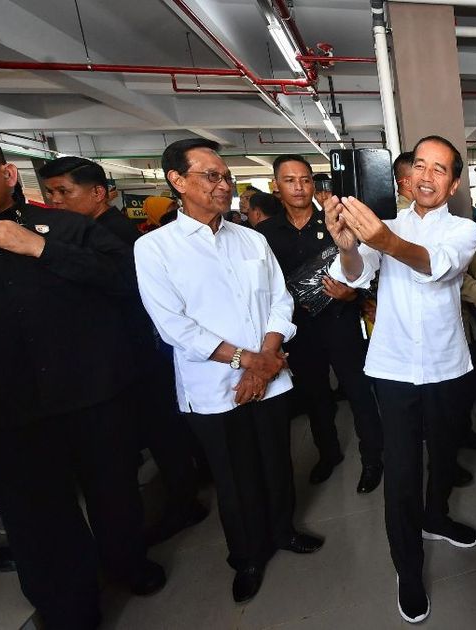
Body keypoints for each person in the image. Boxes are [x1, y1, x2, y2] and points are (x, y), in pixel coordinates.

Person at [0, 125, 165, 628]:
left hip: (93, 398)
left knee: (115, 496)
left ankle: (128, 565)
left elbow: (126, 285)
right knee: (37, 521)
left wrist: (37, 248)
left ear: (6, 174)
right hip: (4, 416)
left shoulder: (70, 230)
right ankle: (69, 608)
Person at [134, 138, 323, 605]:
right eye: (211, 176)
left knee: (277, 462)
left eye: (226, 176)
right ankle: (247, 557)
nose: (223, 184)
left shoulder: (251, 238)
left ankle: (282, 531)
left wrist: (266, 356)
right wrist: (245, 361)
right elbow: (174, 325)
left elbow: (280, 300)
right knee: (235, 479)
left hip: (269, 374)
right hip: (215, 389)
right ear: (177, 181)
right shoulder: (156, 248)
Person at [325, 135, 476, 624]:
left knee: (444, 451)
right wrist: (350, 247)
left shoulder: (463, 230)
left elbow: (436, 265)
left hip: (445, 363)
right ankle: (407, 569)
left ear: (453, 182)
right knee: (401, 471)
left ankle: (436, 518)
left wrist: (381, 240)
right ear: (408, 175)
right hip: (392, 368)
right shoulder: (382, 226)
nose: (427, 176)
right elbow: (350, 277)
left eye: (440, 169)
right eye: (420, 165)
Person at [38, 156, 208, 546]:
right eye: (50, 193)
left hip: (138, 355)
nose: (56, 201)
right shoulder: (88, 232)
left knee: (163, 432)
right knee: (161, 432)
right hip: (125, 356)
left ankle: (184, 502)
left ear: (98, 193)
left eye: (64, 191)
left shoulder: (115, 237)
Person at [256, 154, 385, 493]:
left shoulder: (336, 222)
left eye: (305, 179)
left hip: (340, 321)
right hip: (299, 330)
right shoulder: (264, 234)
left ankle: (373, 459)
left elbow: (364, 270)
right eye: (289, 180)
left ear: (314, 183)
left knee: (359, 393)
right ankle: (328, 455)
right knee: (315, 398)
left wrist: (351, 294)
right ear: (276, 186)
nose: (299, 187)